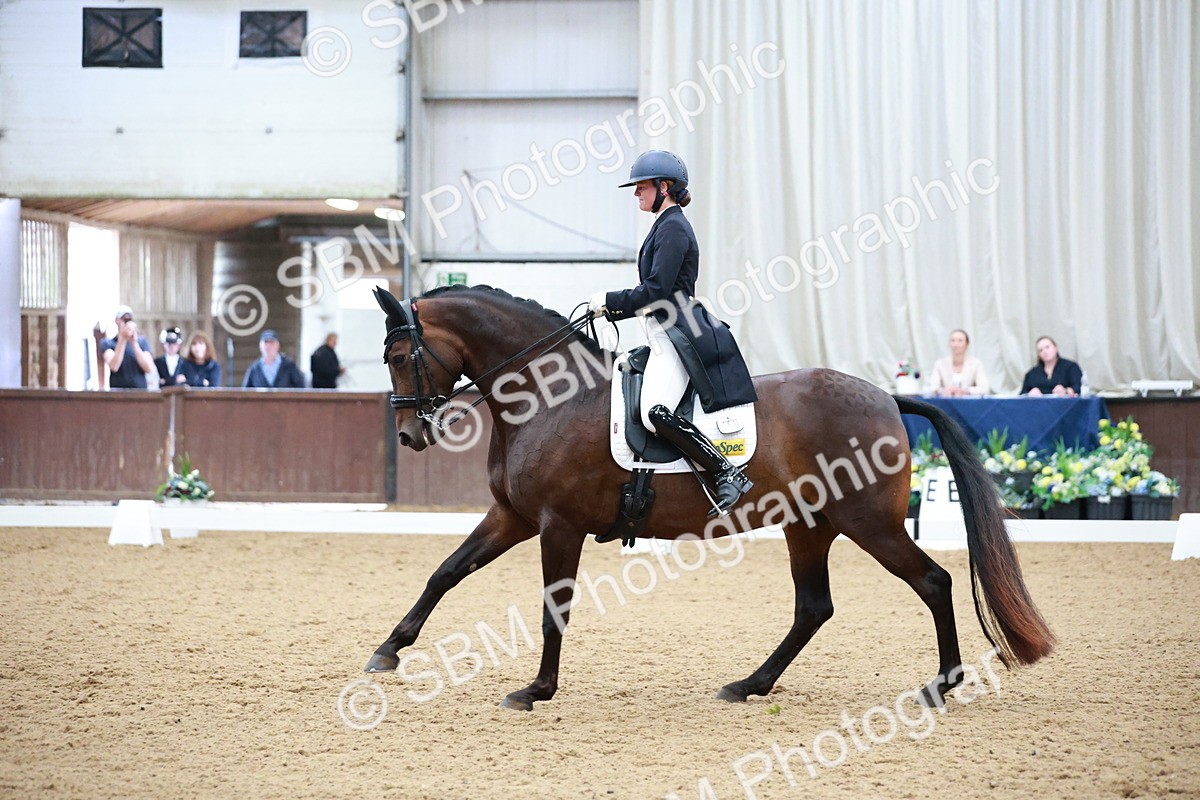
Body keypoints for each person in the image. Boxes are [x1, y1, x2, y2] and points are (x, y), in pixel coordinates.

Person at [589, 150, 758, 522]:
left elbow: (656, 291)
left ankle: (726, 471)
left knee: (654, 412)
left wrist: (610, 302)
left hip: (677, 334)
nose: (637, 193)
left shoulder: (674, 228)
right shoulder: (663, 225)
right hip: (661, 331)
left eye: (642, 187)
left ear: (664, 187)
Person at [99, 305, 155, 389]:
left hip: (140, 392)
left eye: (129, 319)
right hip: (118, 392)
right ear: (116, 321)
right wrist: (122, 339)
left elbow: (149, 368)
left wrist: (134, 343)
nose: (126, 322)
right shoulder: (107, 343)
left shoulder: (142, 342)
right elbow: (114, 366)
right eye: (124, 319)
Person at [927, 329, 990, 396]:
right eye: (952, 340)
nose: (956, 344)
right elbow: (933, 387)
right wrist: (944, 390)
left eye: (960, 341)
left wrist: (965, 391)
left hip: (967, 400)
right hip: (945, 400)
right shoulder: (940, 363)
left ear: (967, 344)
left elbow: (985, 388)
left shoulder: (976, 363)